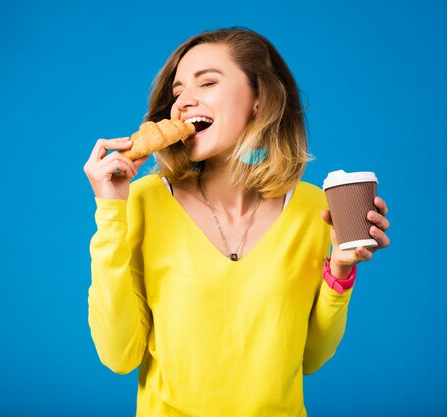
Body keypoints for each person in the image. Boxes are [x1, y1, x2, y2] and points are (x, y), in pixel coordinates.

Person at [84, 28, 391, 416]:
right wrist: (110, 210)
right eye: (177, 92)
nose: (183, 102)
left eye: (207, 82)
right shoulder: (143, 200)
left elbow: (310, 358)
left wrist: (341, 269)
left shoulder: (315, 208)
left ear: (259, 99)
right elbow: (118, 355)